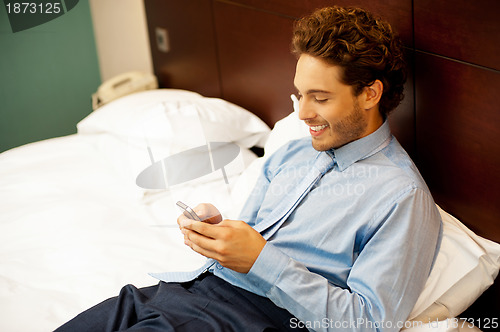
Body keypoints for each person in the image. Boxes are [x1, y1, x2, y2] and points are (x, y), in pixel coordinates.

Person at [56, 6, 441, 332]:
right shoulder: (292, 154)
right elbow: (254, 237)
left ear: (370, 93)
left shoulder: (402, 197)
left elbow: (369, 323)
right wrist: (219, 232)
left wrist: (261, 261)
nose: (303, 113)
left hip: (246, 318)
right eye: (301, 93)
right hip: (175, 290)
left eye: (320, 98)